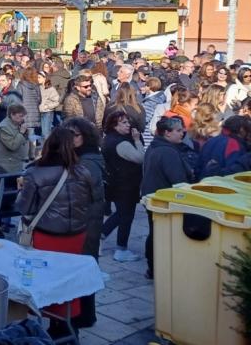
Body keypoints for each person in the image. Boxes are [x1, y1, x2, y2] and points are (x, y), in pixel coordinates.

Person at [15, 127, 94, 337]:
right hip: (76, 234)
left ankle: (52, 324)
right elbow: (91, 201)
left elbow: (23, 207)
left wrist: (21, 189)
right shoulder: (83, 171)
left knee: (46, 280)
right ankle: (66, 325)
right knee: (67, 278)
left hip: (48, 235)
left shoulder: (35, 173)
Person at [142, 117, 195, 278]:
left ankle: (152, 267)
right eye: (178, 130)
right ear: (167, 133)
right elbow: (179, 181)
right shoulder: (168, 152)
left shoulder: (155, 146)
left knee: (154, 232)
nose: (182, 133)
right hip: (163, 200)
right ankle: (157, 268)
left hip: (152, 196)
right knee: (160, 235)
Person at [98, 111, 145, 262]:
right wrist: (137, 140)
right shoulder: (122, 143)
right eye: (124, 122)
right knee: (126, 216)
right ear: (115, 125)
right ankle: (121, 249)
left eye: (128, 122)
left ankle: (100, 235)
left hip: (115, 183)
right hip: (126, 185)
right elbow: (140, 158)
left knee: (121, 214)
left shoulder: (108, 139)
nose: (128, 125)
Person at [0, 104, 29, 173]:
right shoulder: (3, 128)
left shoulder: (17, 124)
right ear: (12, 115)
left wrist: (25, 133)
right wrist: (21, 133)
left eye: (24, 116)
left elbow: (23, 142)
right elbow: (12, 146)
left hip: (15, 164)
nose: (23, 118)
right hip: (4, 167)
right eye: (20, 116)